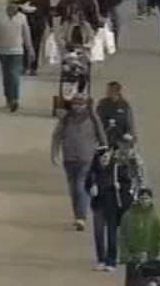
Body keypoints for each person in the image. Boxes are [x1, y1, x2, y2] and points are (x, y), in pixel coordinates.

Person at [51, 98, 106, 230]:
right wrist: (54, 154)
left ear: (85, 105)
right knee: (73, 189)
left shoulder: (92, 118)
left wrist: (104, 149)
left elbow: (101, 134)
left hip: (86, 158)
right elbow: (56, 136)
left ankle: (81, 217)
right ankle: (77, 216)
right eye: (75, 104)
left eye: (81, 104)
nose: (77, 107)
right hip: (69, 159)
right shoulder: (66, 118)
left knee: (80, 187)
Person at [87, 143, 139, 272]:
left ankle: (111, 261)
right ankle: (101, 259)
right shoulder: (93, 171)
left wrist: (118, 186)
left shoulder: (116, 168)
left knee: (112, 234)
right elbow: (86, 185)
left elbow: (127, 180)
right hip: (98, 205)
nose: (104, 159)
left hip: (112, 205)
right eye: (101, 157)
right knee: (98, 233)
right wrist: (90, 188)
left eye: (106, 156)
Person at [0, 0, 33, 112]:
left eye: (16, 4)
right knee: (6, 76)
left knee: (14, 74)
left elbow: (26, 34)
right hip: (3, 51)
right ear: (8, 4)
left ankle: (15, 99)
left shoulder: (22, 18)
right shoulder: (0, 16)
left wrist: (30, 49)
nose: (14, 6)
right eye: (12, 3)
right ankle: (8, 98)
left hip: (17, 51)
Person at [120, 187, 160, 283]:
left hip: (152, 258)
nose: (144, 201)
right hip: (133, 258)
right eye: (142, 198)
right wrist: (125, 255)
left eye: (147, 198)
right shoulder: (128, 215)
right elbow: (122, 236)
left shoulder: (158, 216)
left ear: (151, 199)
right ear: (138, 199)